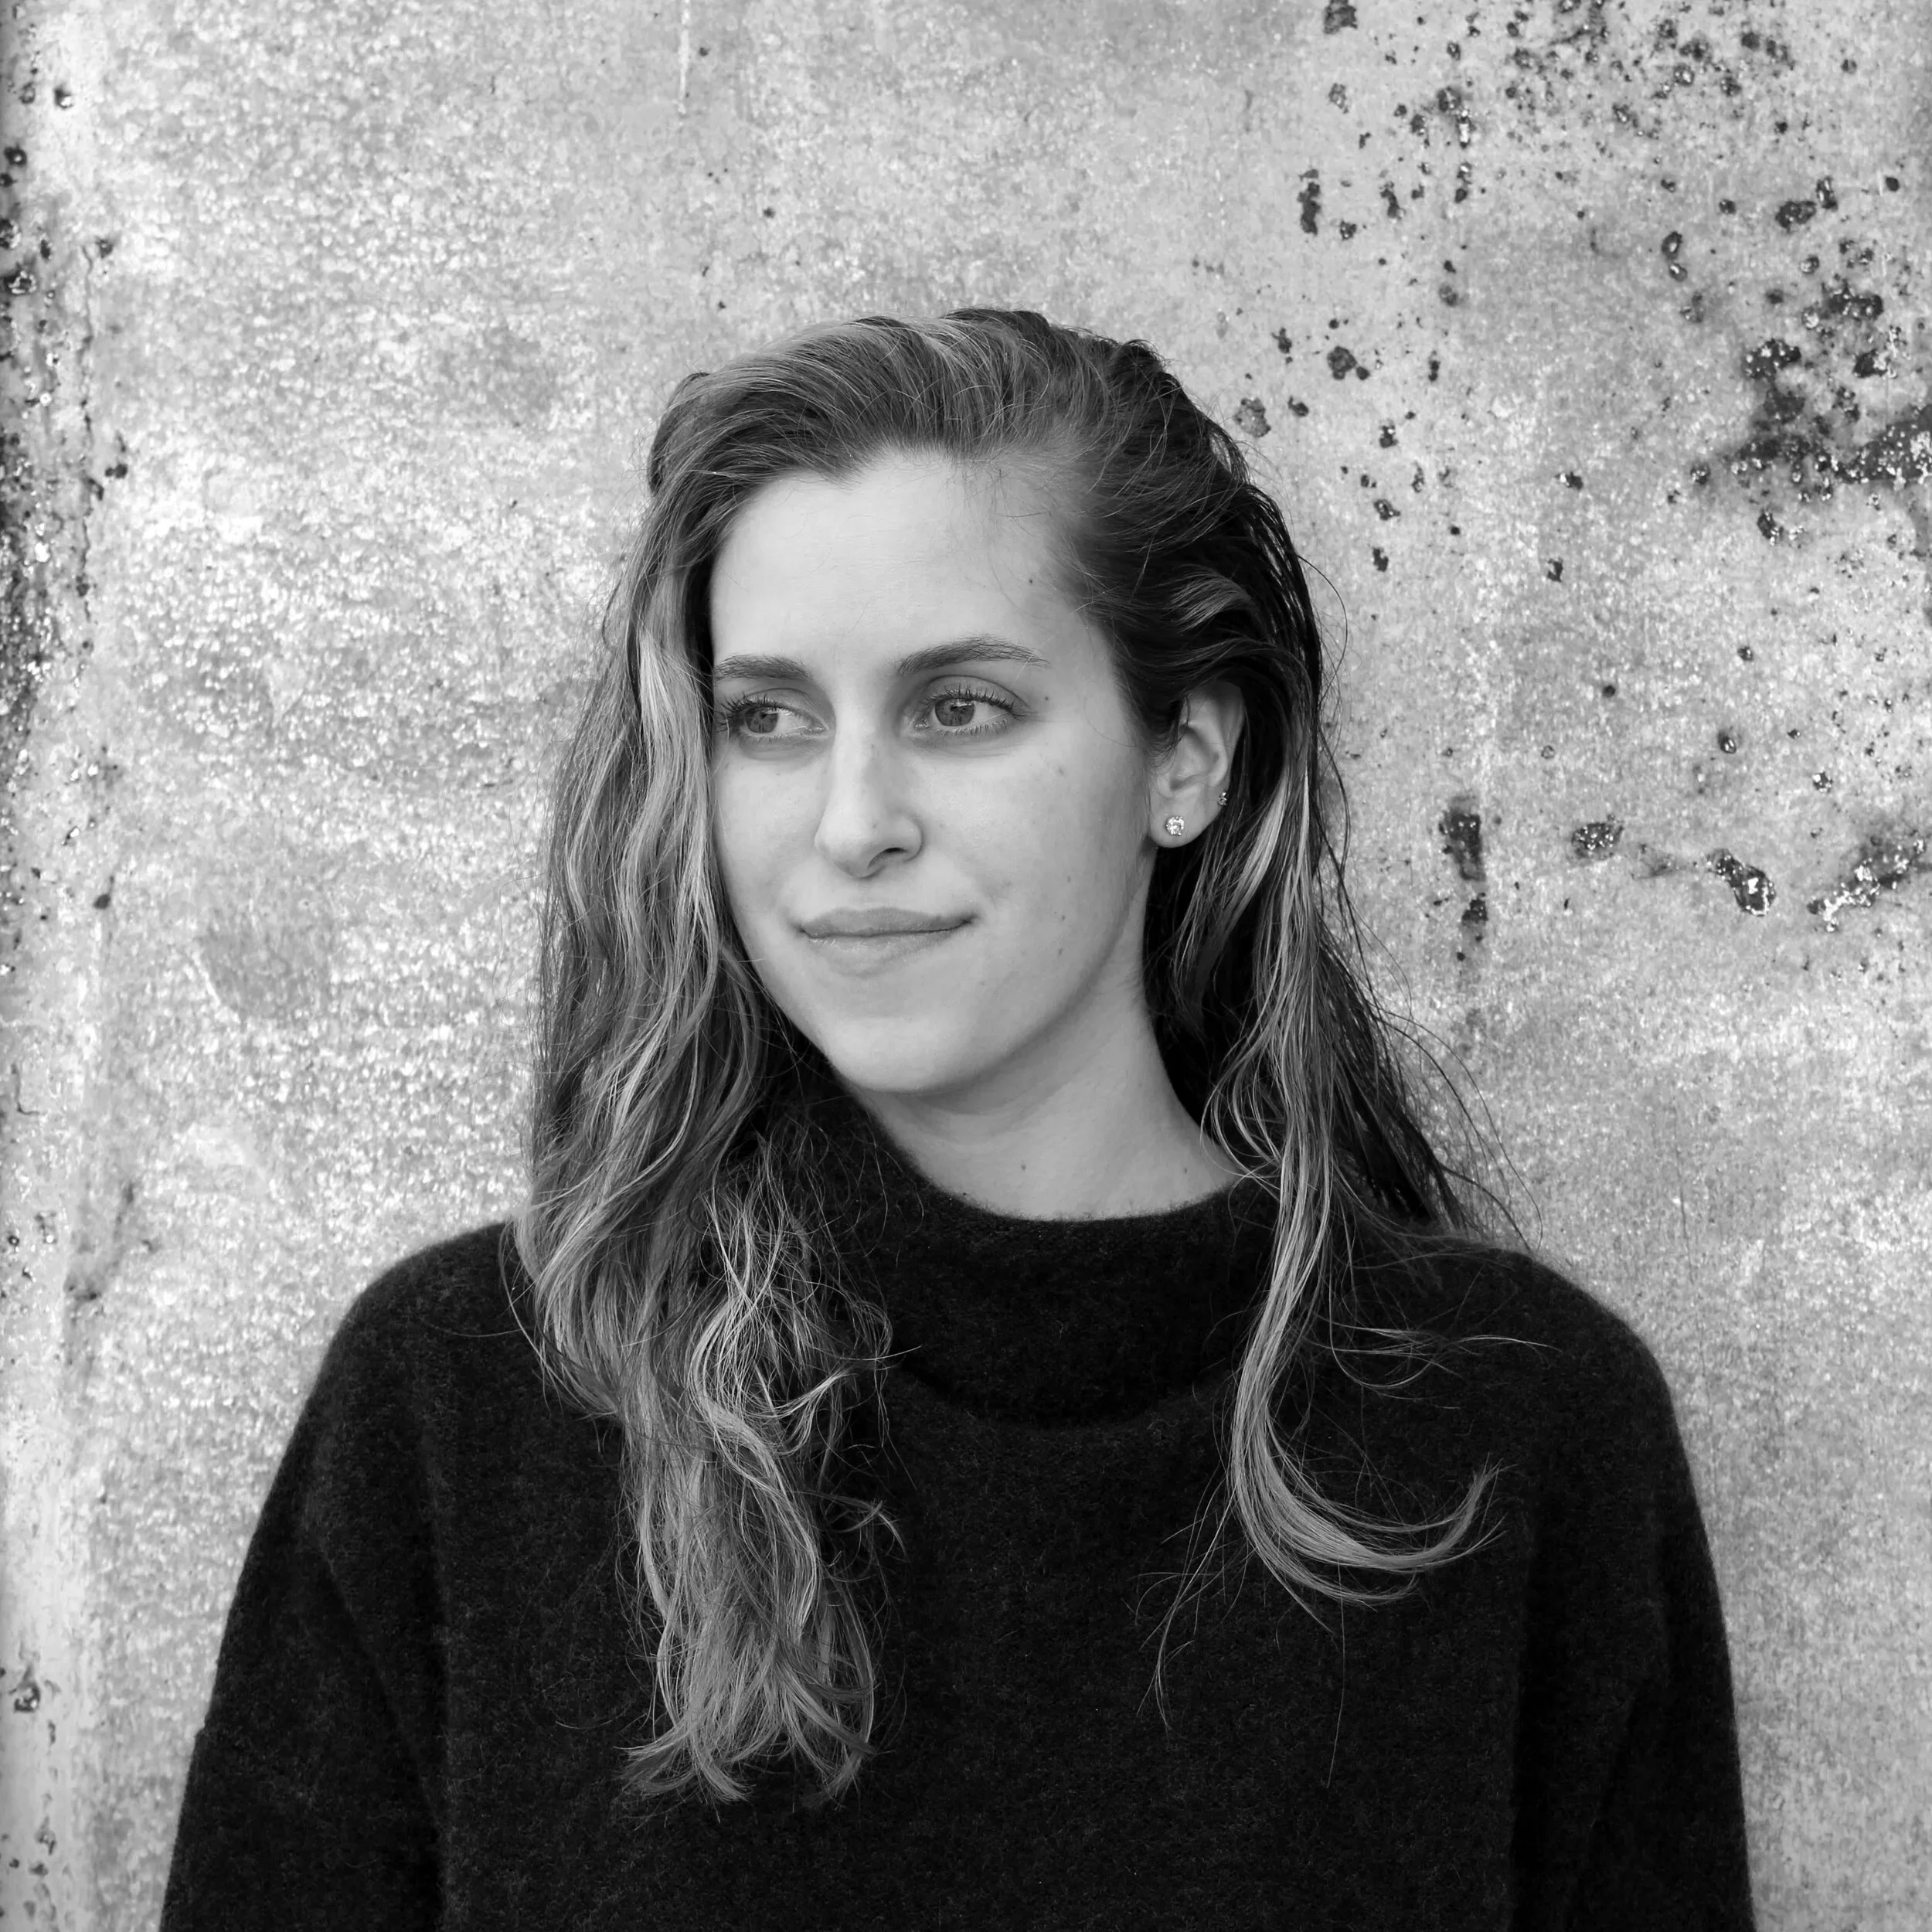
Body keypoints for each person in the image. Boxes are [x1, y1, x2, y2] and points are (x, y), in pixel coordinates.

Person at [160, 310, 1756, 1929]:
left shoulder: (1509, 1431)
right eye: (767, 717)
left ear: (1185, 757)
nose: (851, 823)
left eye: (960, 707)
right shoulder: (473, 1397)